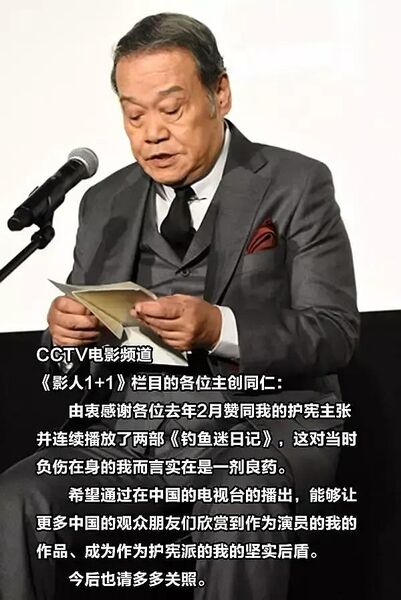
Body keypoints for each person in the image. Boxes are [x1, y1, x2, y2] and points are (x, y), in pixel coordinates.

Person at [0, 12, 359, 600]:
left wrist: (219, 328)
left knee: (239, 505)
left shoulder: (297, 183)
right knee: (17, 498)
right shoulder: (105, 201)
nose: (152, 133)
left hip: (260, 432)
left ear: (220, 93)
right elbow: (72, 360)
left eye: (171, 109)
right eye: (134, 115)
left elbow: (335, 333)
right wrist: (65, 339)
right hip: (128, 437)